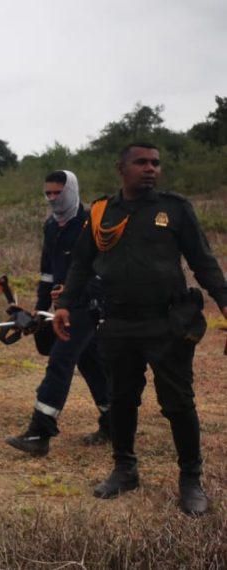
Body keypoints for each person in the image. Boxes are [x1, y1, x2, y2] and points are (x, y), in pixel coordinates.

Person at [53, 142, 227, 516]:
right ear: (122, 168)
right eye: (142, 163)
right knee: (121, 398)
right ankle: (124, 468)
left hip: (166, 322)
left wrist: (224, 300)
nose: (151, 169)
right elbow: (83, 263)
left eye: (156, 163)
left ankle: (190, 479)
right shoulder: (102, 212)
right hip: (117, 321)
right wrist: (65, 303)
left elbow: (202, 261)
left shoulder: (174, 209)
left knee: (178, 403)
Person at [6, 170, 111, 456]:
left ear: (71, 191)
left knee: (60, 362)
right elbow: (47, 272)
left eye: (58, 193)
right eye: (48, 193)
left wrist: (75, 291)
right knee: (91, 362)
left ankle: (40, 432)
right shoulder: (51, 226)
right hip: (64, 308)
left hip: (90, 306)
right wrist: (39, 310)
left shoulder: (93, 223)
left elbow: (105, 270)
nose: (52, 199)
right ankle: (114, 420)